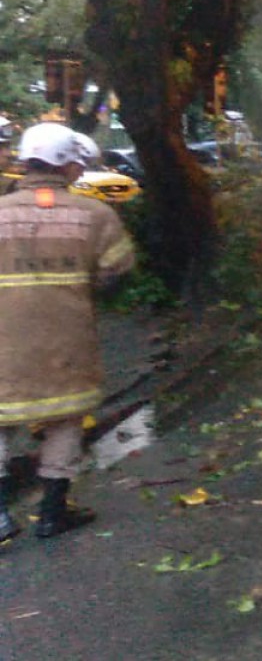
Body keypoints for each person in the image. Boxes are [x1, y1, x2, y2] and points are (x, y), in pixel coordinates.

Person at [0, 122, 136, 546]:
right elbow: (119, 268)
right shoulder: (95, 214)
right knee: (64, 423)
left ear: (26, 161)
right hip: (68, 339)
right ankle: (52, 514)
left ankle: (0, 520)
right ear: (66, 164)